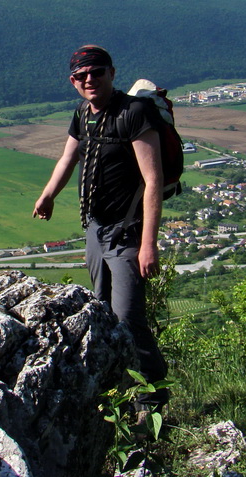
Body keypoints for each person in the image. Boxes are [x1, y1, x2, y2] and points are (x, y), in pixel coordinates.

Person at [33, 45, 168, 409]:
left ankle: (152, 402)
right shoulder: (83, 113)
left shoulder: (134, 113)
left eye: (97, 72)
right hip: (95, 229)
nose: (89, 79)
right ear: (72, 81)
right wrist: (48, 194)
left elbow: (152, 181)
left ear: (112, 72)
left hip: (128, 233)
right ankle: (117, 392)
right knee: (103, 310)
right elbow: (68, 157)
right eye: (81, 75)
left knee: (128, 319)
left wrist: (148, 245)